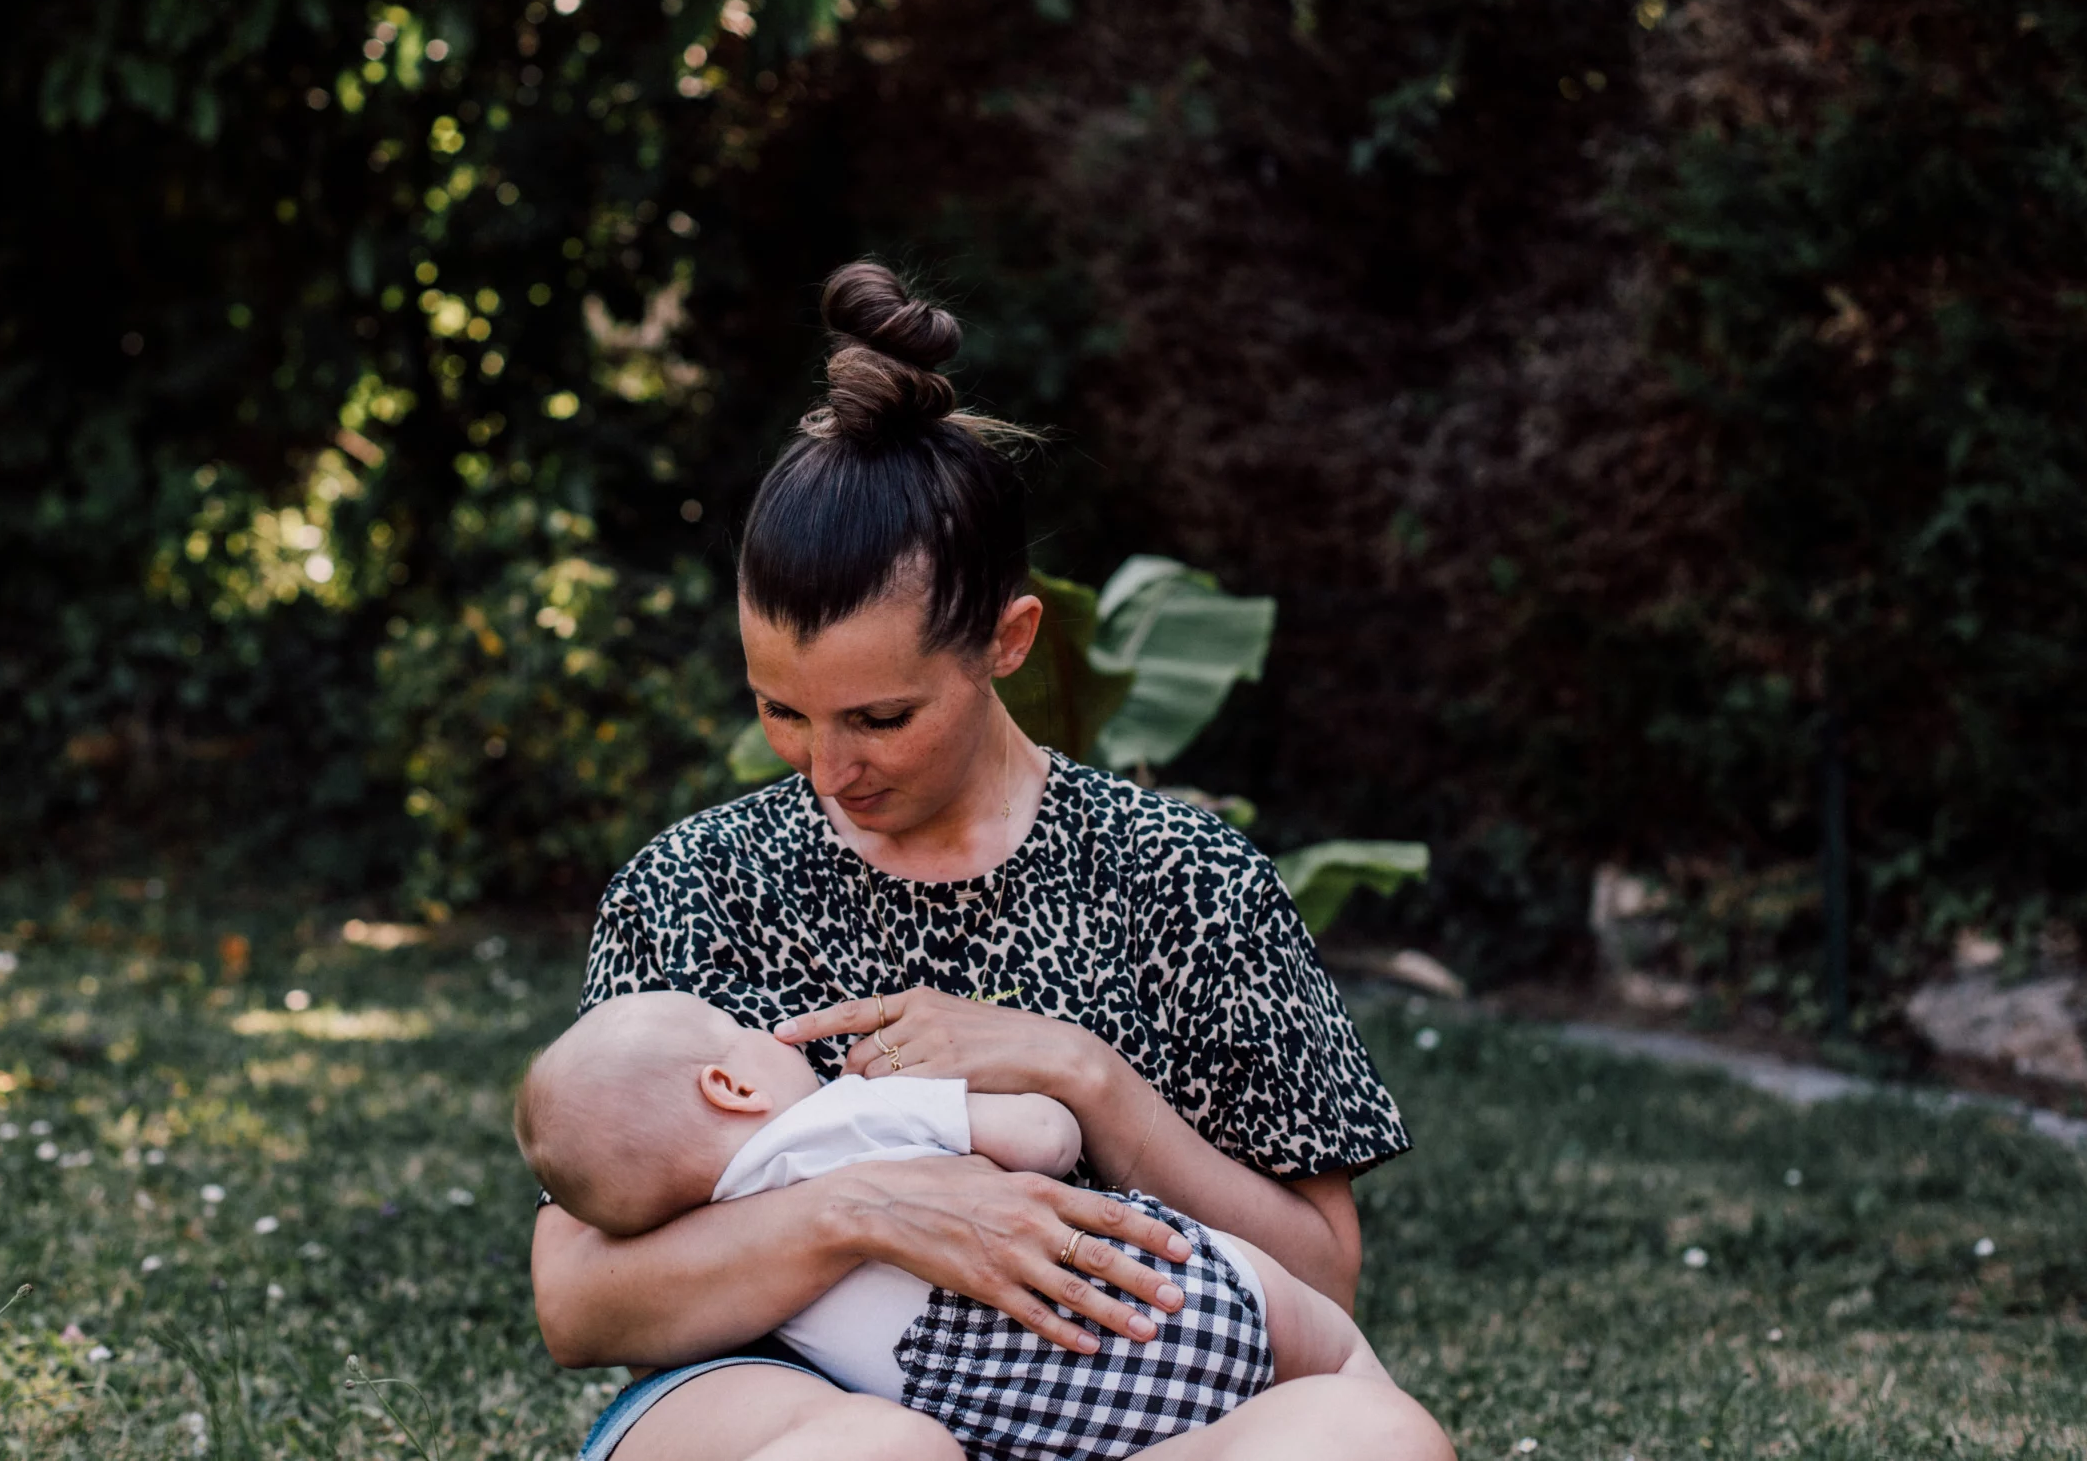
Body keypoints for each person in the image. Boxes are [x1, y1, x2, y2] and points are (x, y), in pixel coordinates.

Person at [530, 260, 1453, 1461]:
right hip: (778, 1398)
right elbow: (578, 1303)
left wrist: (1088, 1077)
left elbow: (1322, 1282)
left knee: (1372, 1439)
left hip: (1115, 1410)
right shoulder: (694, 885)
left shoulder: (1188, 879)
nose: (827, 771)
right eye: (782, 710)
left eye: (880, 718)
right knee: (885, 1454)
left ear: (1008, 642)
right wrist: (864, 1212)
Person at [517, 991, 1393, 1460]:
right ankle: (1361, 1380)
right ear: (732, 1085)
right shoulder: (852, 1108)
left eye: (882, 721)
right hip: (1155, 1297)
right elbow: (1045, 1138)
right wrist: (875, 1191)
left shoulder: (721, 1231)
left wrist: (1083, 1065)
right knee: (1330, 1355)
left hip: (1033, 1418)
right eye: (746, 1027)